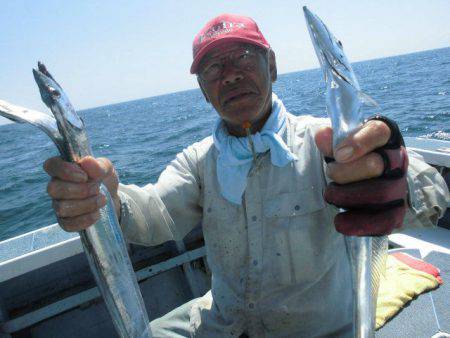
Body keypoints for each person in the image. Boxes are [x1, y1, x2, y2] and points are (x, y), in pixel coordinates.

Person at [43, 14, 449, 338]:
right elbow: (153, 218)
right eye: (213, 68)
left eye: (242, 57)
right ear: (203, 90)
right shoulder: (198, 161)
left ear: (271, 66)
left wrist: (393, 172)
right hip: (221, 322)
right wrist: (108, 198)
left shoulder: (328, 142)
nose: (230, 75)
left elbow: (432, 195)